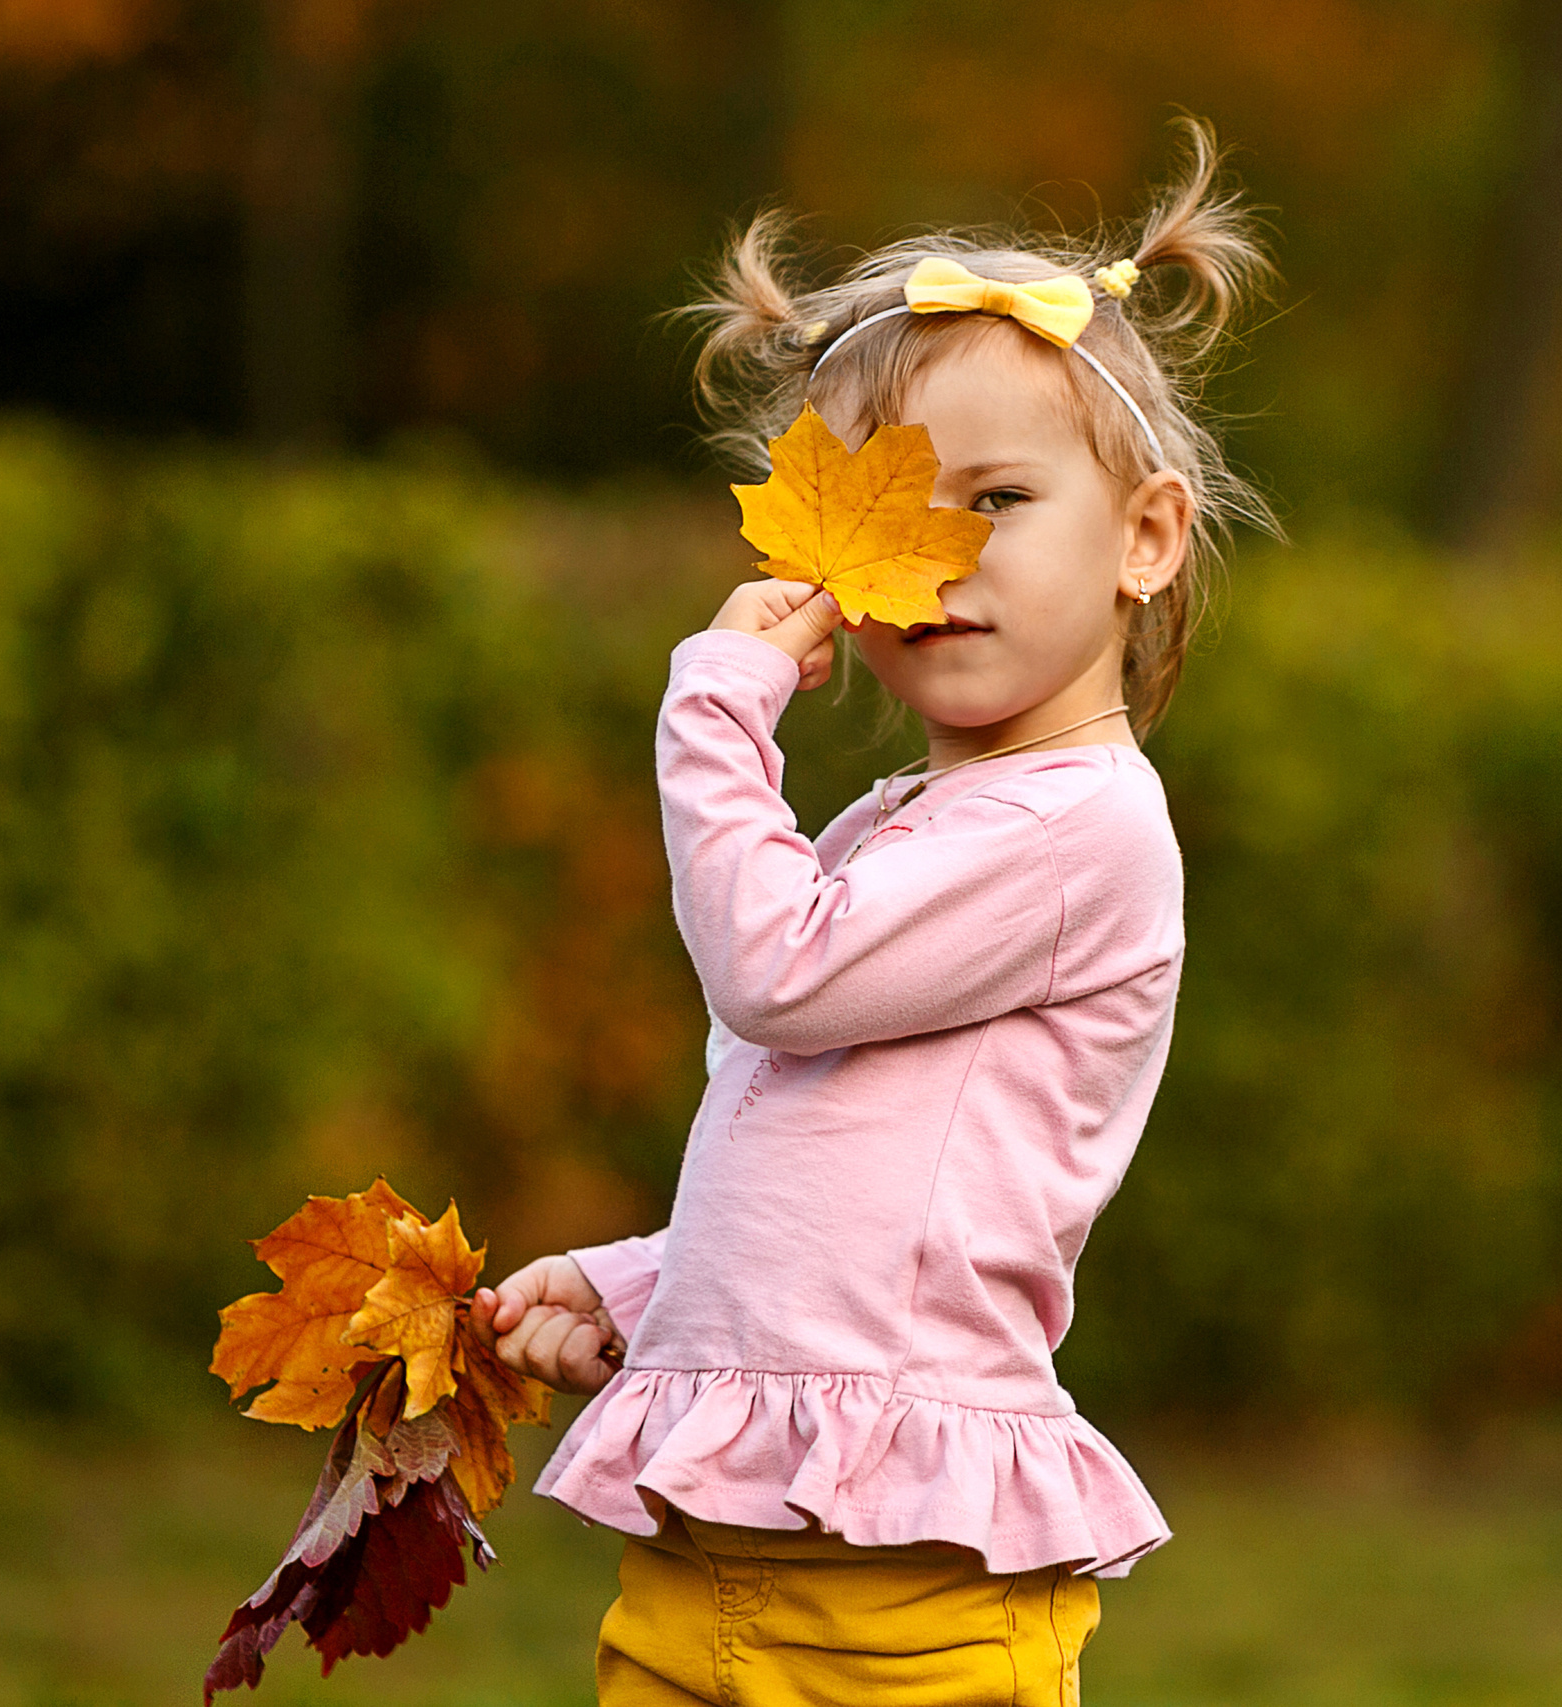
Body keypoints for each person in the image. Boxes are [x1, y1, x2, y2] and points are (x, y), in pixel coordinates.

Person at [467, 120, 1275, 1706]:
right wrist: (649, 1286)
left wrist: (715, 709)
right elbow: (842, 1160)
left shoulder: (1080, 826)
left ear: (1147, 536)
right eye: (892, 516)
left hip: (903, 1595)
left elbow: (775, 970)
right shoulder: (908, 826)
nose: (942, 559)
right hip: (721, 1550)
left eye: (996, 499)